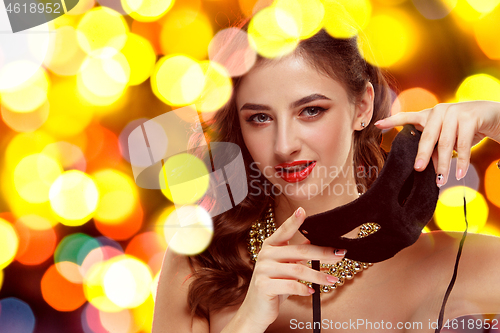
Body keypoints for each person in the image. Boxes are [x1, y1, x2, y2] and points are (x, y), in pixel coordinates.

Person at [152, 18, 500, 333]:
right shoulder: (204, 259)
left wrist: (497, 120)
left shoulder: (457, 262)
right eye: (260, 118)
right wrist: (247, 322)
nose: (284, 145)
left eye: (311, 111)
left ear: (362, 107)